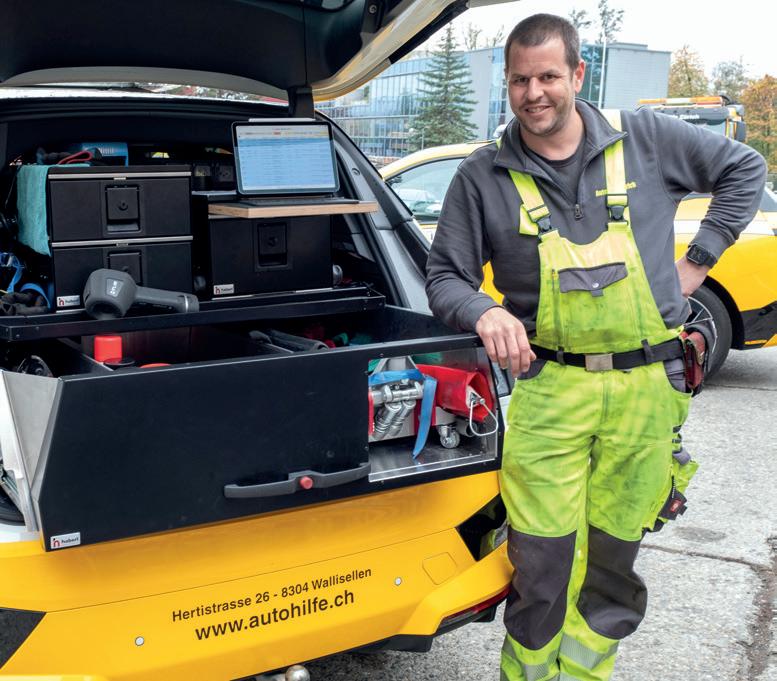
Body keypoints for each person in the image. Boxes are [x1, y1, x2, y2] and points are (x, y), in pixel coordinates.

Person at [425, 13, 766, 681]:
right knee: (540, 561)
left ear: (577, 75)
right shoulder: (482, 175)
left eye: (548, 76)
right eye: (519, 80)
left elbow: (744, 169)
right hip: (550, 390)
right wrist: (483, 310)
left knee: (612, 561)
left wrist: (699, 260)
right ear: (506, 83)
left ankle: (585, 674)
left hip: (647, 391)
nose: (534, 93)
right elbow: (444, 277)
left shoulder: (647, 139)